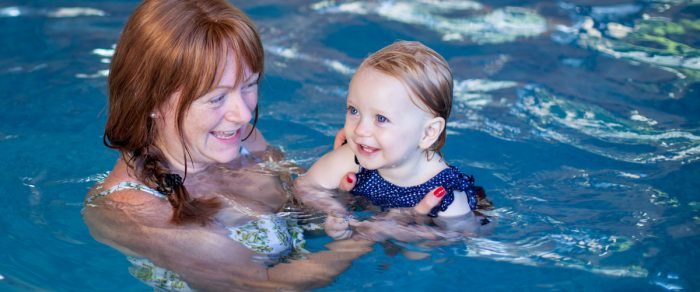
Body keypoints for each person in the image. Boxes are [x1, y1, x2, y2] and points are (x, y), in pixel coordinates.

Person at [82, 1, 447, 290]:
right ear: (152, 102)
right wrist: (372, 234)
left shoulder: (236, 140)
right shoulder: (138, 212)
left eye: (249, 85)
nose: (242, 114)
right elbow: (262, 286)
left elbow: (300, 212)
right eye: (217, 98)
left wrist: (361, 181)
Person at [295, 41, 491, 240]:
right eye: (354, 111)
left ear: (427, 133)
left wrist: (398, 231)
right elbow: (305, 186)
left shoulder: (445, 195)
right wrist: (335, 210)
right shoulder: (353, 158)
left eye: (381, 118)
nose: (361, 130)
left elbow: (464, 234)